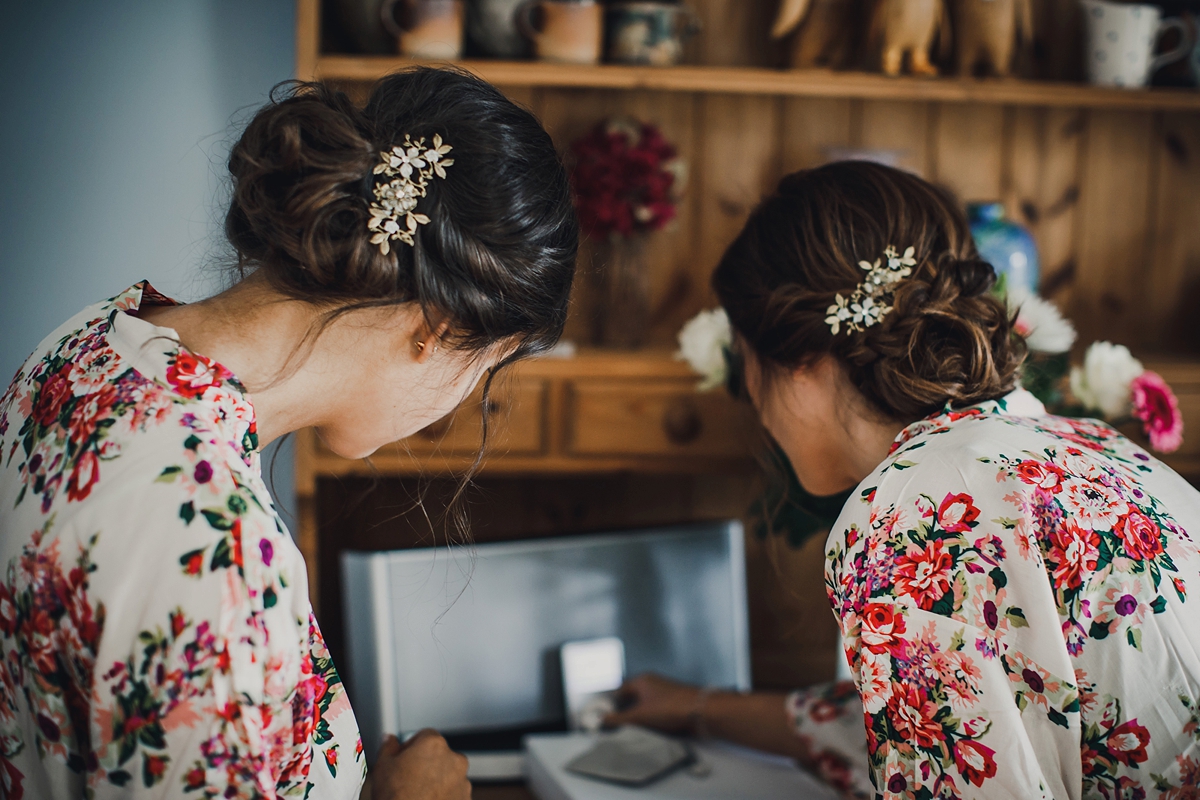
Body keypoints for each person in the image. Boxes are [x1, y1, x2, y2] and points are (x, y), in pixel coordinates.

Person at [0, 67, 577, 799]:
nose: (456, 404)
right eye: (486, 370)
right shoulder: (218, 553)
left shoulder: (86, 344)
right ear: (437, 329)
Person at [607, 161, 1200, 798]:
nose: (750, 398)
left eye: (745, 362)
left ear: (799, 357)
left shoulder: (911, 518)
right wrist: (700, 707)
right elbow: (959, 717)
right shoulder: (1094, 446)